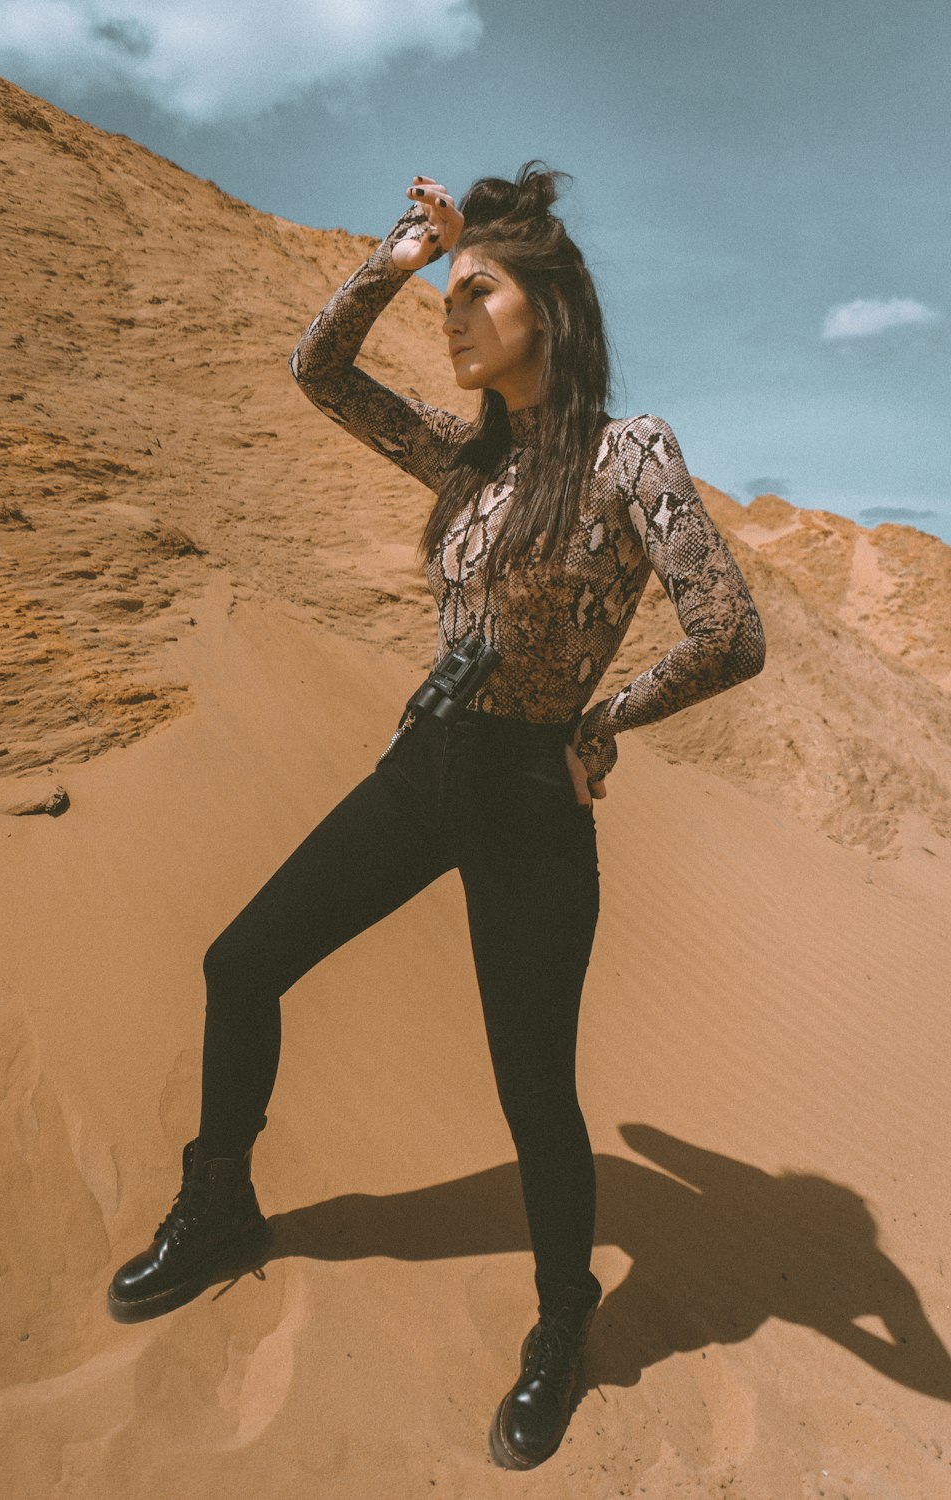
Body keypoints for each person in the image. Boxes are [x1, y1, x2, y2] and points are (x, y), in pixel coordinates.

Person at [106, 163, 766, 1469]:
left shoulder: (631, 453)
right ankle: (219, 1203)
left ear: (556, 313)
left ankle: (563, 1320)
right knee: (242, 963)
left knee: (533, 1094)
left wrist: (604, 718)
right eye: (449, 296)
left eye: (480, 292)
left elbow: (729, 631)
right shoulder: (466, 455)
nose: (453, 316)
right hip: (425, 766)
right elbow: (318, 370)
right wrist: (403, 254)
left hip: (532, 799)